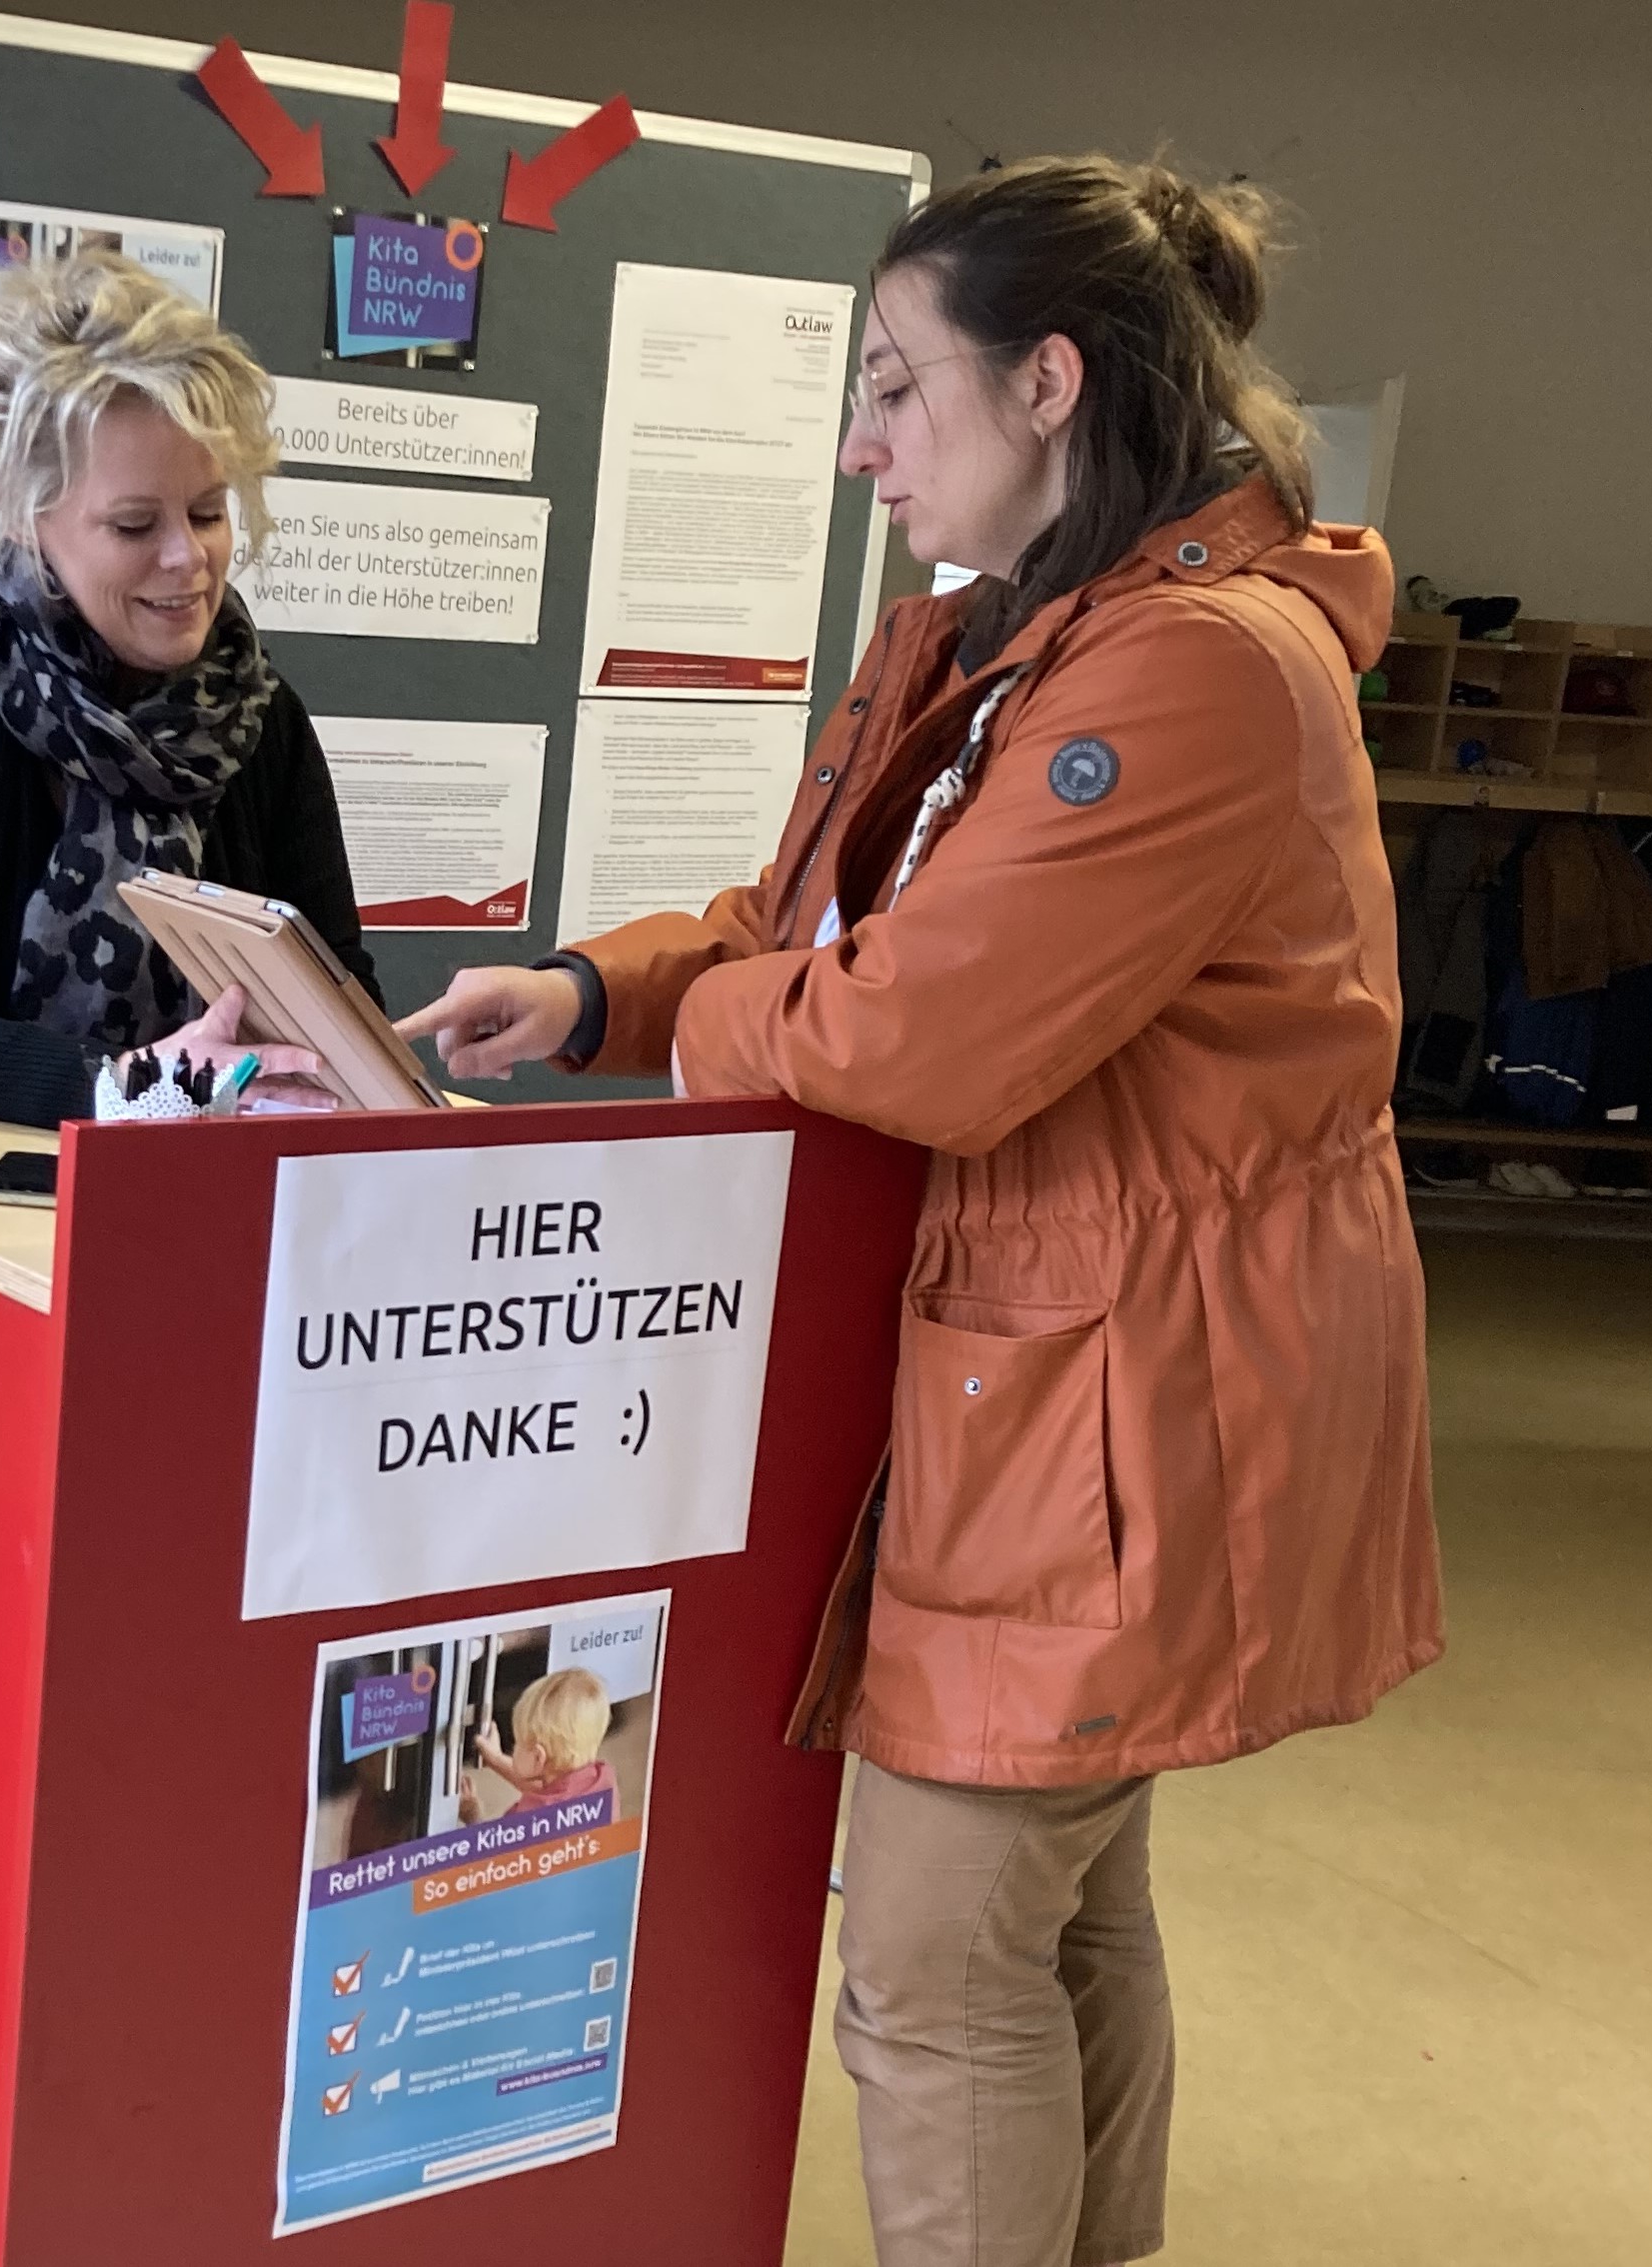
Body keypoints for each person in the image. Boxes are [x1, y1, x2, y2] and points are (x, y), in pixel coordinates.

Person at [401, 158, 1443, 2266]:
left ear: (1048, 382)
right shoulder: (998, 641)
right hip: (1048, 1378)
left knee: (938, 1960)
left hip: (1113, 1399)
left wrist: (715, 1031)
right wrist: (608, 989)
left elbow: (919, 1035)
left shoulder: (1192, 677)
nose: (863, 439)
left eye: (899, 385)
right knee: (1059, 1917)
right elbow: (823, 934)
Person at [0, 247, 376, 1129]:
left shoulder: (264, 720)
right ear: (31, 516)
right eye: (135, 523)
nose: (188, 558)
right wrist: (129, 1092)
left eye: (210, 512)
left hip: (215, 1203)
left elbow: (335, 986)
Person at [458, 1668, 616, 1823]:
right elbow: (547, 1791)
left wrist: (472, 1815)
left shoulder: (528, 1819)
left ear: (538, 1757)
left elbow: (489, 1848)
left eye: (517, 1742)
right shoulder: (602, 1779)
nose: (514, 1748)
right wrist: (496, 1759)